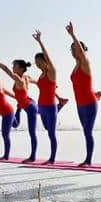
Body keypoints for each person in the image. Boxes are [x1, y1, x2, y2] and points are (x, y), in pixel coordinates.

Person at [0, 49, 38, 163]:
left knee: (32, 132)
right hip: (28, 103)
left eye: (14, 66)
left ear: (20, 68)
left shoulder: (19, 80)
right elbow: (37, 82)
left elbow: (5, 69)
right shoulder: (26, 77)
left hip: (30, 108)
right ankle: (57, 106)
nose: (12, 68)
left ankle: (33, 157)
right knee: (37, 116)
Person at [65, 22, 101, 167]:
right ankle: (87, 159)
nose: (74, 51)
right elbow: (83, 84)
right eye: (72, 49)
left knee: (88, 131)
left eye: (76, 49)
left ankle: (88, 160)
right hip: (80, 104)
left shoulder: (85, 62)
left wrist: (73, 35)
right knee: (85, 132)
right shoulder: (75, 66)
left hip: (89, 103)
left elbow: (81, 52)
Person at [32, 30, 69, 164]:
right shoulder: (41, 75)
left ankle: (52, 158)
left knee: (51, 133)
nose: (37, 64)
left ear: (45, 61)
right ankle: (61, 105)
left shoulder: (51, 72)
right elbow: (48, 89)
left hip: (50, 106)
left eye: (38, 61)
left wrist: (40, 42)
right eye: (35, 62)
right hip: (41, 106)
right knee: (47, 128)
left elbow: (48, 58)